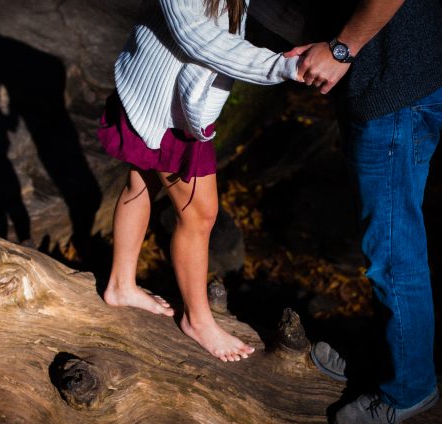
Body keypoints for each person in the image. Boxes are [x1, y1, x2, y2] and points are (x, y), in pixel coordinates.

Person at [267, 0, 442, 424]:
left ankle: (410, 388)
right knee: (386, 241)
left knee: (393, 251)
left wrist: (340, 50)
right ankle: (390, 360)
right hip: (393, 85)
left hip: (395, 95)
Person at [98, 0, 300, 362]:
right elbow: (197, 36)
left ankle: (120, 285)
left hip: (161, 88)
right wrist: (284, 66)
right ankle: (198, 320)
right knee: (200, 215)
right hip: (165, 102)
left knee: (142, 182)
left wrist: (330, 45)